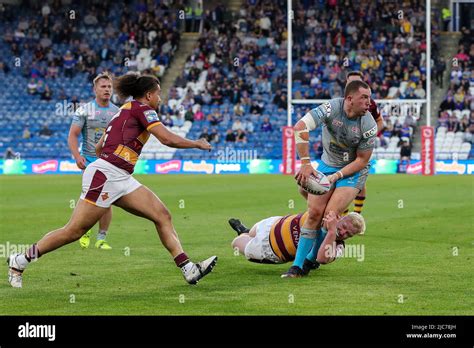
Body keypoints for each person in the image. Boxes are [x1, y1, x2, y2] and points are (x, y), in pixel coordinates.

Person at [7, 73, 217, 288]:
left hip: (120, 176)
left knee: (162, 215)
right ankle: (20, 260)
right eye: (158, 94)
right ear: (148, 95)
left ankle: (188, 268)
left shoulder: (123, 110)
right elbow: (166, 138)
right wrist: (196, 143)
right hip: (108, 175)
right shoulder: (144, 110)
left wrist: (114, 159)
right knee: (73, 231)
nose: (160, 98)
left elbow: (99, 147)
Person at [282, 80, 376, 278]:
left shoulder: (368, 124)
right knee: (315, 213)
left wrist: (337, 176)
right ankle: (296, 267)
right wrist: (306, 163)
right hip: (327, 165)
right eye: (364, 97)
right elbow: (300, 126)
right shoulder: (330, 108)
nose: (369, 102)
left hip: (353, 172)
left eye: (369, 97)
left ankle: (308, 261)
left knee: (330, 215)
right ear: (349, 99)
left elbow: (362, 160)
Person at [68, 73, 120, 250]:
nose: (107, 90)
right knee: (91, 197)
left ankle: (101, 238)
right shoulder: (84, 110)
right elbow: (73, 135)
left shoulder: (117, 112)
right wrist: (77, 156)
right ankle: (85, 231)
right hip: (90, 161)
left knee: (107, 198)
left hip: (109, 162)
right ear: (95, 89)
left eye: (109, 87)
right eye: (103, 87)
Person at [229, 211, 365, 269]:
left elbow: (323, 259)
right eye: (343, 227)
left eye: (348, 234)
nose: (342, 233)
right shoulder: (327, 212)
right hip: (275, 223)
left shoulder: (338, 247)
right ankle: (245, 230)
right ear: (340, 217)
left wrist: (331, 232)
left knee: (236, 243)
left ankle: (242, 234)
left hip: (270, 249)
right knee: (252, 231)